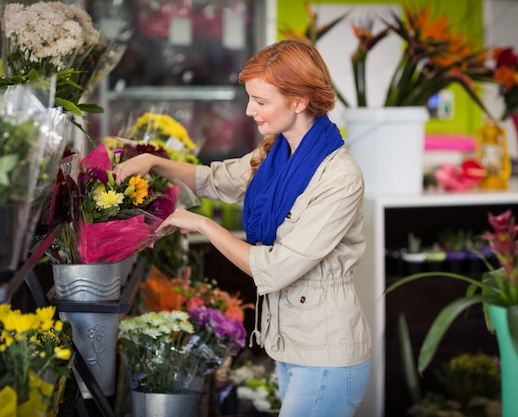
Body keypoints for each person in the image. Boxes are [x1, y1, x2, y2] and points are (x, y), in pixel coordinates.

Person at [113, 39, 371, 417]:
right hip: (293, 346)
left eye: (261, 101)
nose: (250, 111)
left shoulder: (339, 177)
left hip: (326, 354)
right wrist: (154, 162)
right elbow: (215, 180)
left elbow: (276, 267)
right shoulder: (275, 152)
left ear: (298, 101)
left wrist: (201, 223)